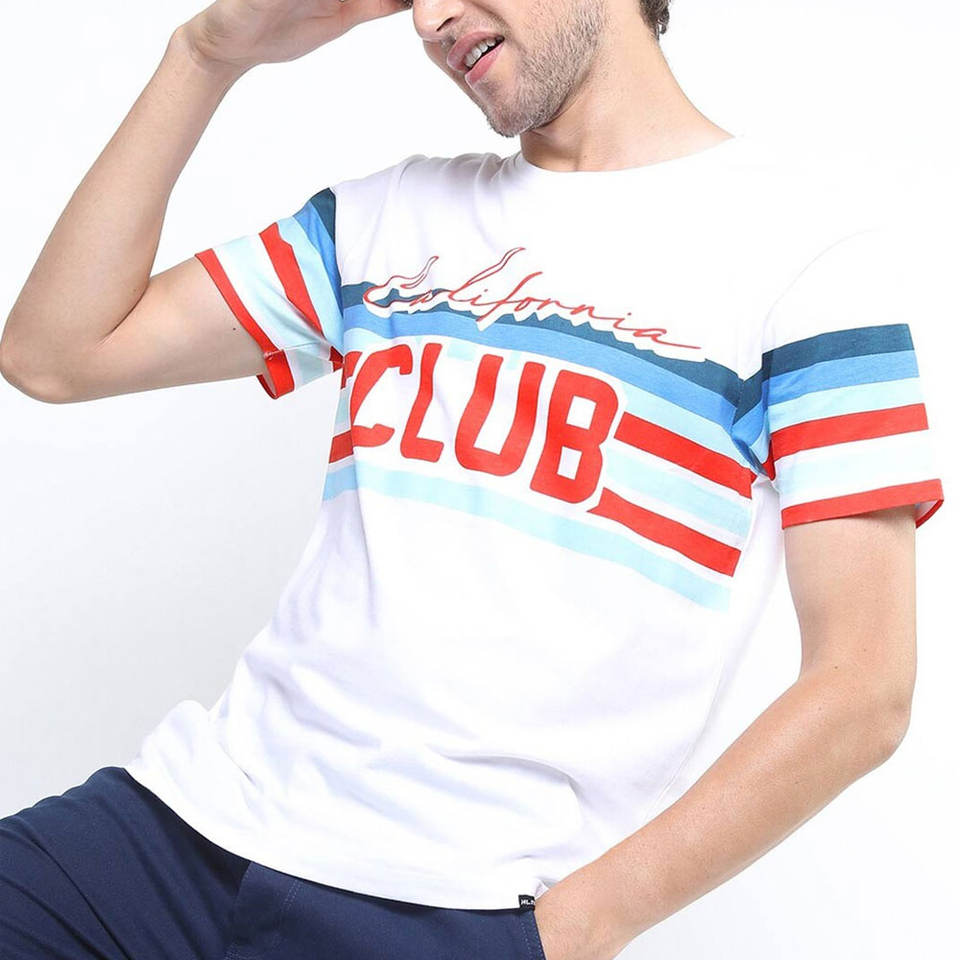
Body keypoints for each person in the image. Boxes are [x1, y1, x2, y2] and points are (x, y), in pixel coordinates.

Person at [0, 1, 946, 958]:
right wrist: (205, 54)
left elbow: (863, 686)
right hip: (186, 830)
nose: (432, 18)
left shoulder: (809, 262)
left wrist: (574, 929)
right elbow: (54, 354)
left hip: (452, 908)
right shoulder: (384, 219)